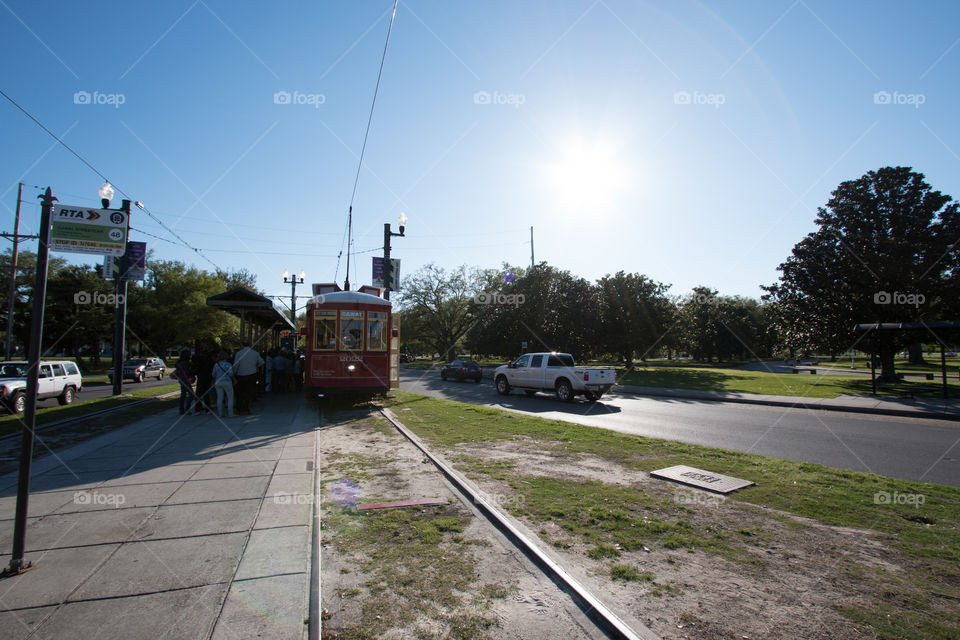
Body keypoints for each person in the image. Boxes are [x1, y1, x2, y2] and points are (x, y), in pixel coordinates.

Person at [233, 341, 263, 414]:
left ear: (242, 345)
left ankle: (239, 408)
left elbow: (236, 364)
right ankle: (247, 408)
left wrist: (234, 372)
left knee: (240, 392)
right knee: (249, 391)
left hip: (241, 374)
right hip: (252, 374)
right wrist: (256, 367)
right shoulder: (255, 353)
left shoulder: (239, 353)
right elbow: (262, 362)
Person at [211, 350, 236, 418]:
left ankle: (220, 413)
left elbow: (213, 374)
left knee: (219, 397)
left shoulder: (216, 365)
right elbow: (231, 373)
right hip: (227, 381)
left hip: (218, 382)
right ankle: (230, 413)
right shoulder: (228, 364)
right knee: (230, 397)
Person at [173, 350, 196, 415]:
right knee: (191, 395)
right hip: (186, 379)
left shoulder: (179, 363)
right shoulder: (186, 363)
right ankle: (187, 409)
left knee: (183, 395)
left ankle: (181, 410)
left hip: (181, 379)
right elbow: (188, 372)